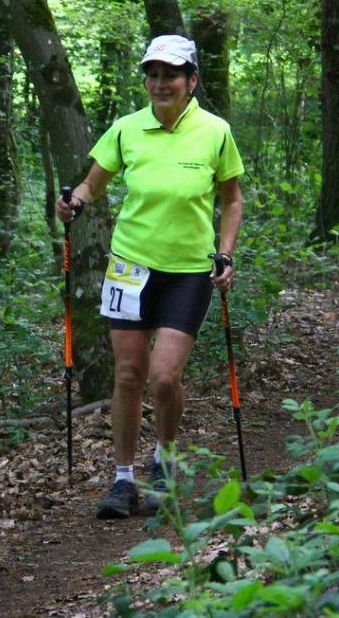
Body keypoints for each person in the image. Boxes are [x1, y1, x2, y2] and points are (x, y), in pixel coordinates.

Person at [57, 34, 244, 520]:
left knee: (164, 377)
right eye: (153, 74)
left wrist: (225, 254)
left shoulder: (215, 131)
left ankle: (164, 459)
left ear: (192, 80)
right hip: (129, 267)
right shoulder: (126, 129)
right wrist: (74, 202)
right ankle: (122, 481)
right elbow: (92, 184)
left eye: (171, 74)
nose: (161, 83)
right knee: (128, 374)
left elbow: (232, 200)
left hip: (187, 271)